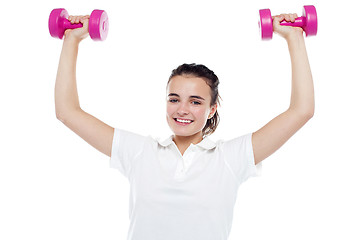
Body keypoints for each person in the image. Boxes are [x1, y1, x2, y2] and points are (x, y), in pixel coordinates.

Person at [54, 12, 314, 240]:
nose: (182, 109)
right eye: (174, 99)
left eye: (195, 101)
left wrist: (294, 37)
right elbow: (67, 112)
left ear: (212, 109)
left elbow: (301, 111)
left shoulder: (231, 158)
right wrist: (72, 40)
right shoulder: (140, 152)